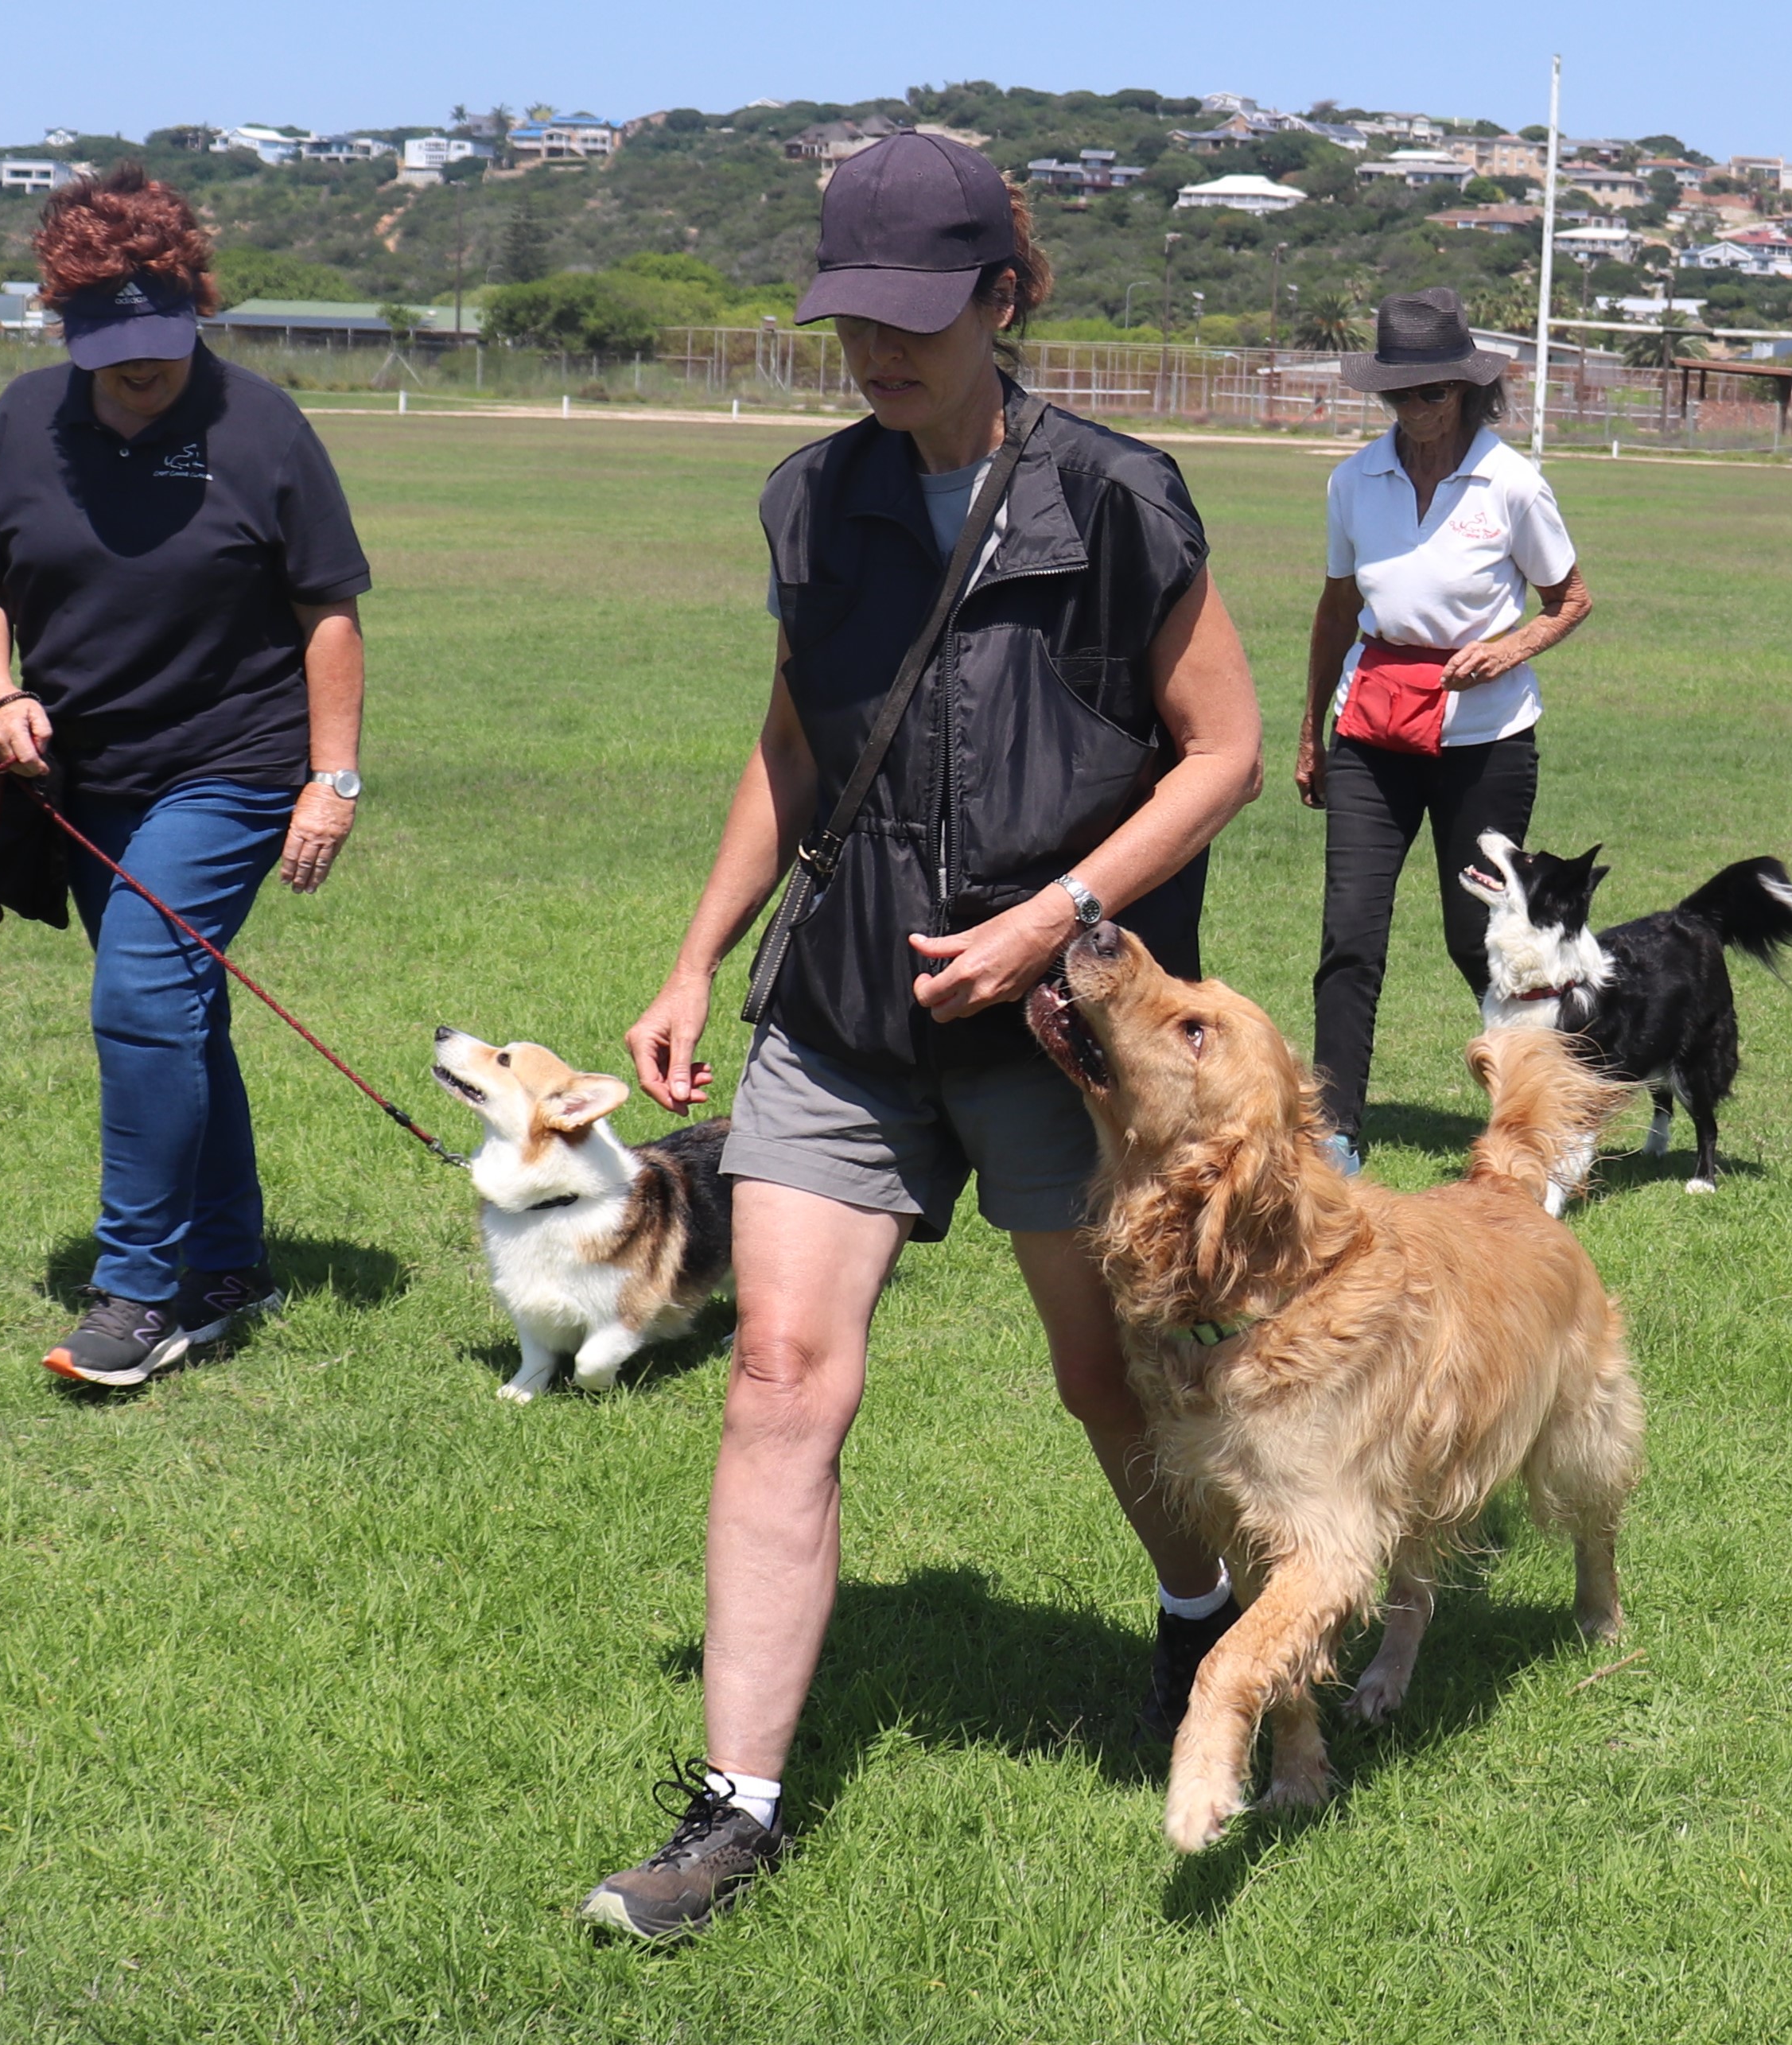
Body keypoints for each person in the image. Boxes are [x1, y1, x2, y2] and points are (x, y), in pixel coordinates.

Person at [598, 133, 1264, 1939]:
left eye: (913, 315)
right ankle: (734, 1809)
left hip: (1059, 1032)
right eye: (851, 319)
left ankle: (1200, 1615)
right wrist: (693, 955)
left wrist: (1060, 917)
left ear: (1003, 295)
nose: (877, 351)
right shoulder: (814, 503)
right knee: (777, 1373)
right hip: (844, 1011)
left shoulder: (1115, 500)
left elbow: (1223, 750)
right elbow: (795, 744)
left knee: (1105, 1379)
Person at [0, 163, 372, 1389]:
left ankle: (137, 1292)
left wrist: (332, 779)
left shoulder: (264, 427)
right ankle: (231, 1266)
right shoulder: (24, 419)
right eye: (111, 348)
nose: (139, 369)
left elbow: (328, 613)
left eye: (160, 343)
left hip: (231, 767)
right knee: (180, 1009)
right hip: (83, 777)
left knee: (140, 994)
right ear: (64, 323)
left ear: (196, 307)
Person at [1296, 287, 1591, 1168]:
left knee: (1478, 937)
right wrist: (1311, 732)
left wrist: (1508, 650)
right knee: (1350, 935)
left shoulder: (1513, 483)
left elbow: (1571, 600)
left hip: (1485, 745)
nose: (1414, 408)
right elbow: (1335, 610)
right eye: (1397, 393)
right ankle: (1336, 1130)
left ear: (1465, 389)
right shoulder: (1353, 481)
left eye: (1430, 392)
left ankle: (1548, 1105)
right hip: (1370, 732)